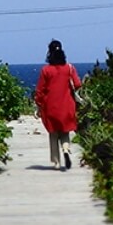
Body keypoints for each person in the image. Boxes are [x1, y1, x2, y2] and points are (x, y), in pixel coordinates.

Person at [34, 40, 82, 170]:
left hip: (51, 105)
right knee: (65, 132)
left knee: (53, 133)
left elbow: (40, 90)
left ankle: (56, 162)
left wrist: (38, 105)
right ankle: (66, 150)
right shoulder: (69, 68)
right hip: (67, 105)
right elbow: (77, 84)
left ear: (49, 52)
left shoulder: (46, 70)